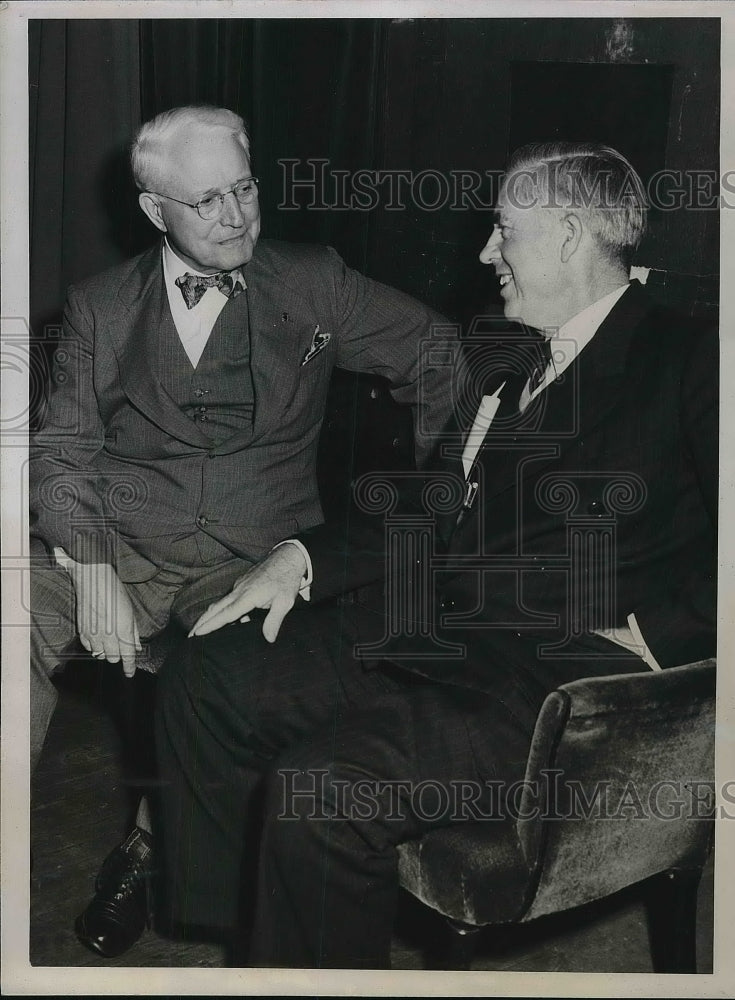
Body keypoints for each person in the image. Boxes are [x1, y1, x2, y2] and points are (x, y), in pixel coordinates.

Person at [155, 141, 717, 967]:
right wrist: (297, 561)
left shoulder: (690, 353)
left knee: (324, 789)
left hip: (558, 673)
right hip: (438, 624)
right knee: (205, 679)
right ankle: (252, 945)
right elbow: (432, 500)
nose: (486, 252)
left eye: (502, 231)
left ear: (567, 236)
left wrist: (661, 635)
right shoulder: (508, 353)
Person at [29, 104, 457, 958]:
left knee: (220, 676)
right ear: (155, 210)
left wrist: (442, 510)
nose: (234, 218)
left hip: (249, 564)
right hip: (119, 548)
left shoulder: (315, 282)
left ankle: (149, 847)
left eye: (245, 189)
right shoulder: (98, 308)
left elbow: (438, 356)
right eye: (206, 201)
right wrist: (89, 565)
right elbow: (59, 455)